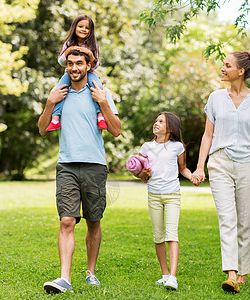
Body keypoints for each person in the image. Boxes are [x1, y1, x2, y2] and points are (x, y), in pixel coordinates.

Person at [191, 50, 250, 293]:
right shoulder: (215, 98)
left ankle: (242, 273)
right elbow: (208, 135)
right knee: (227, 219)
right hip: (220, 163)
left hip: (247, 165)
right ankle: (231, 273)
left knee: (245, 221)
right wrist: (200, 166)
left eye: (227, 65)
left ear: (241, 71)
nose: (222, 69)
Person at [38, 47, 121, 293]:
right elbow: (43, 129)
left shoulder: (99, 92)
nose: (74, 68)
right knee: (66, 221)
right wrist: (49, 103)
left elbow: (116, 130)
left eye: (79, 64)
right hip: (66, 165)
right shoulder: (59, 93)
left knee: (93, 221)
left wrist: (103, 103)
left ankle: (90, 272)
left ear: (88, 66)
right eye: (70, 64)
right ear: (67, 66)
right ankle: (64, 278)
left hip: (95, 164)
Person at [133, 112, 193, 291]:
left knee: (171, 234)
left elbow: (183, 169)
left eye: (161, 121)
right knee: (158, 236)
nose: (156, 123)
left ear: (170, 128)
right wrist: (142, 173)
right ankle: (165, 275)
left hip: (172, 194)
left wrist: (193, 177)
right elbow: (140, 172)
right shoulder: (146, 147)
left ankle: (173, 277)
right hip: (154, 196)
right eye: (156, 120)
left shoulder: (177, 147)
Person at [46, 14, 107, 132]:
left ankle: (100, 115)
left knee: (97, 88)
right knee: (59, 90)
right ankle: (55, 118)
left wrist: (89, 54)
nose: (84, 30)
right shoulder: (69, 43)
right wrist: (68, 50)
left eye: (87, 28)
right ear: (75, 28)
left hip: (89, 73)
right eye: (80, 26)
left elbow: (96, 64)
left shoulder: (92, 45)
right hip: (70, 73)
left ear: (91, 31)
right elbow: (61, 61)